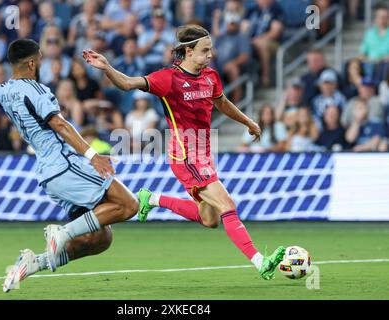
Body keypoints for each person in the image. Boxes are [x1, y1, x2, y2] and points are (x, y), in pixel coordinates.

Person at [83, 24, 285, 280]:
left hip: (204, 152)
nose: (210, 55)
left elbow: (222, 103)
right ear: (188, 51)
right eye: (205, 50)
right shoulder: (167, 79)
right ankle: (260, 261)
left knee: (210, 219)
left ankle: (152, 199)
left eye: (210, 50)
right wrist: (107, 67)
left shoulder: (211, 76)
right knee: (227, 205)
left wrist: (248, 122)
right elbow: (128, 83)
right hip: (185, 155)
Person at [0, 39, 139, 293]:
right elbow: (61, 125)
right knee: (130, 205)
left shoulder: (2, 91)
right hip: (64, 165)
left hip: (47, 175)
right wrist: (93, 155)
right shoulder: (37, 91)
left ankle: (33, 263)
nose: (41, 62)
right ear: (31, 62)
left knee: (100, 238)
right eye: (40, 58)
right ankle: (61, 233)